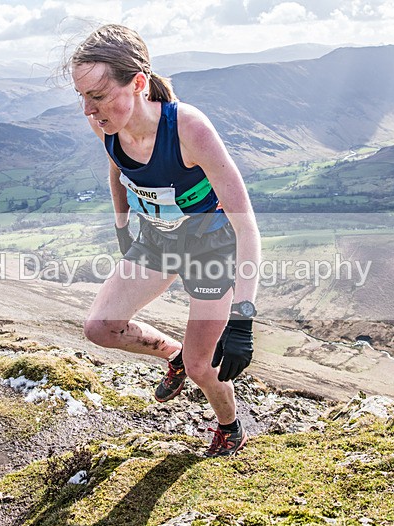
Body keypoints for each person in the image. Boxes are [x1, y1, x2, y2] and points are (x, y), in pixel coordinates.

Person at [64, 24, 261, 457]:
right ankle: (172, 355)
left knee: (202, 365)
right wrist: (122, 226)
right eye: (81, 96)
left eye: (97, 95)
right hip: (157, 239)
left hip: (209, 248)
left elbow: (247, 226)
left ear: (137, 83)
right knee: (100, 328)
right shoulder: (106, 124)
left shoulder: (189, 129)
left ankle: (230, 427)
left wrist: (243, 317)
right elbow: (118, 166)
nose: (87, 109)